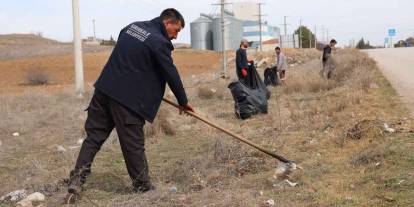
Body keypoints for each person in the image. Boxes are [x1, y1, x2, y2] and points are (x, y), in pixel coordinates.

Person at [67, 8, 194, 195]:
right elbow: (170, 73)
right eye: (177, 30)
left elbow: (132, 57)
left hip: (104, 91)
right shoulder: (159, 42)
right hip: (128, 100)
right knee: (133, 144)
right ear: (167, 23)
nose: (175, 36)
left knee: (93, 138)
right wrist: (183, 101)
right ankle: (142, 186)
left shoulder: (131, 27)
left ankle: (77, 179)